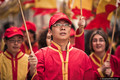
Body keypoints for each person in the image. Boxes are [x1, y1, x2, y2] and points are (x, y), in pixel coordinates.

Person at [29, 12, 95, 80]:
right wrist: (32, 70)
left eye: (66, 25)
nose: (63, 28)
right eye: (58, 25)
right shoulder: (40, 55)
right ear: (50, 31)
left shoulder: (83, 56)